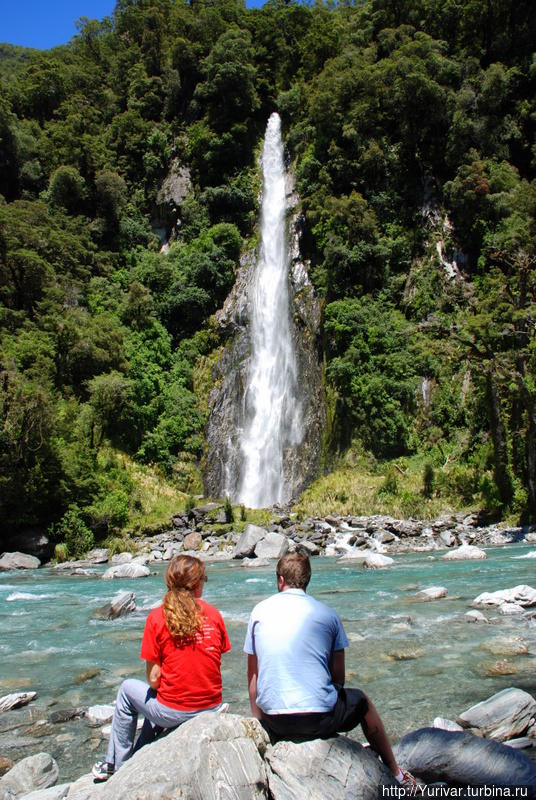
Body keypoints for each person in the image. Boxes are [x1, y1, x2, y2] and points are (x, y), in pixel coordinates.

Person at [244, 551, 420, 788]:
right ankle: (395, 772)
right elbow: (339, 678)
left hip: (274, 721)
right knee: (362, 701)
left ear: (280, 580)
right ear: (307, 580)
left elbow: (253, 674)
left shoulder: (258, 612)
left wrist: (260, 718)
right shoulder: (328, 615)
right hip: (321, 719)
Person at [92, 555, 230, 781]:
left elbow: (154, 679)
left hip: (174, 712)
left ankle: (117, 765)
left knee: (128, 690)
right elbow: (214, 661)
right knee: (158, 695)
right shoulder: (213, 614)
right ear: (197, 584)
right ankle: (136, 752)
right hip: (212, 706)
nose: (205, 582)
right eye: (204, 578)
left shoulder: (157, 617)